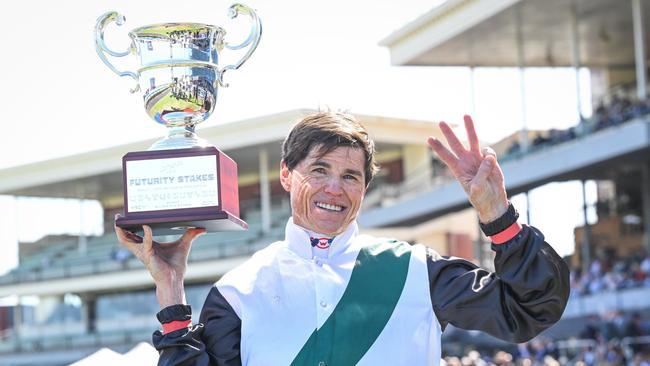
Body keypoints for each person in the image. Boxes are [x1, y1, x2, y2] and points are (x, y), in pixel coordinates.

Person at [115, 112, 570, 365]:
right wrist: (171, 289)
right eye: (320, 170)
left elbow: (529, 311)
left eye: (351, 176)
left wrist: (497, 214)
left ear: (365, 188)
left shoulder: (417, 270)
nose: (335, 188)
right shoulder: (238, 292)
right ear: (287, 176)